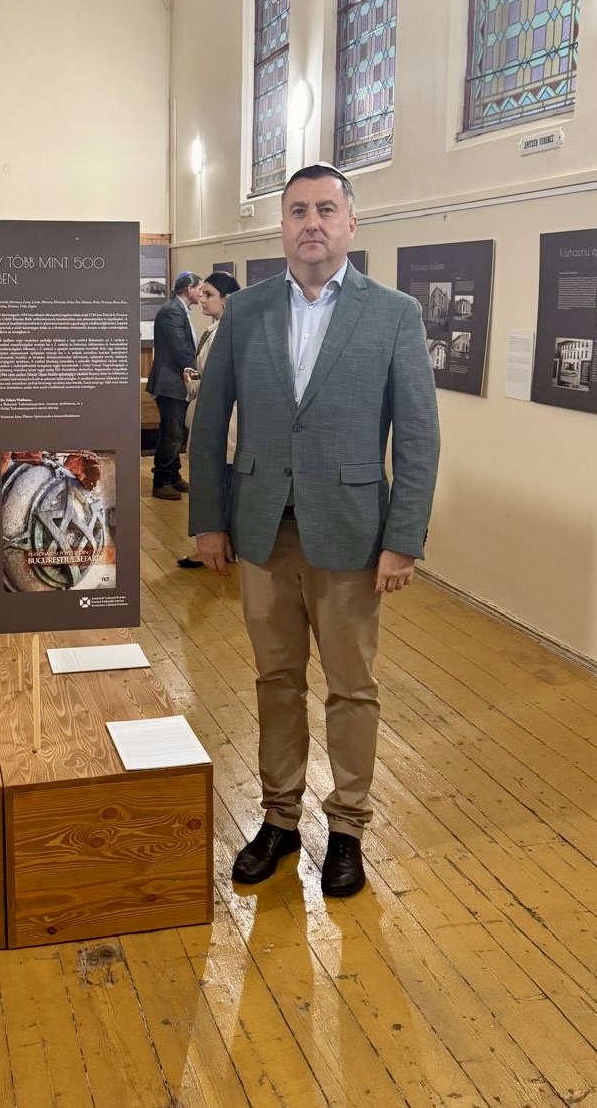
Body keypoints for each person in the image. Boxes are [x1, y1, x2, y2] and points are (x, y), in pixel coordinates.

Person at [189, 163, 440, 896]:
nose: (312, 223)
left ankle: (349, 826)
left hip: (352, 534)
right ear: (282, 226)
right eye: (298, 210)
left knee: (352, 686)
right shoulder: (246, 311)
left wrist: (403, 538)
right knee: (275, 679)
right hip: (262, 529)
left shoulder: (393, 313)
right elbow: (211, 423)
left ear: (351, 223)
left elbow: (417, 437)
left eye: (326, 209)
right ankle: (279, 818)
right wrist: (208, 521)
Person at [177, 270, 241, 568]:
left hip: (224, 422)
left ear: (227, 300)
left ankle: (218, 546)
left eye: (209, 294)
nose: (201, 299)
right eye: (202, 293)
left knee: (221, 484)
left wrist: (195, 382)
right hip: (212, 416)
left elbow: (219, 383)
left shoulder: (225, 333)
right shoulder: (216, 330)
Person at [146, 271, 203, 499]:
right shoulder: (172, 311)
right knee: (172, 434)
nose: (201, 294)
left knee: (175, 432)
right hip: (170, 383)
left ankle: (173, 475)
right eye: (200, 289)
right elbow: (182, 350)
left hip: (176, 382)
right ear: (189, 289)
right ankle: (162, 481)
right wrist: (199, 374)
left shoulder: (179, 310)